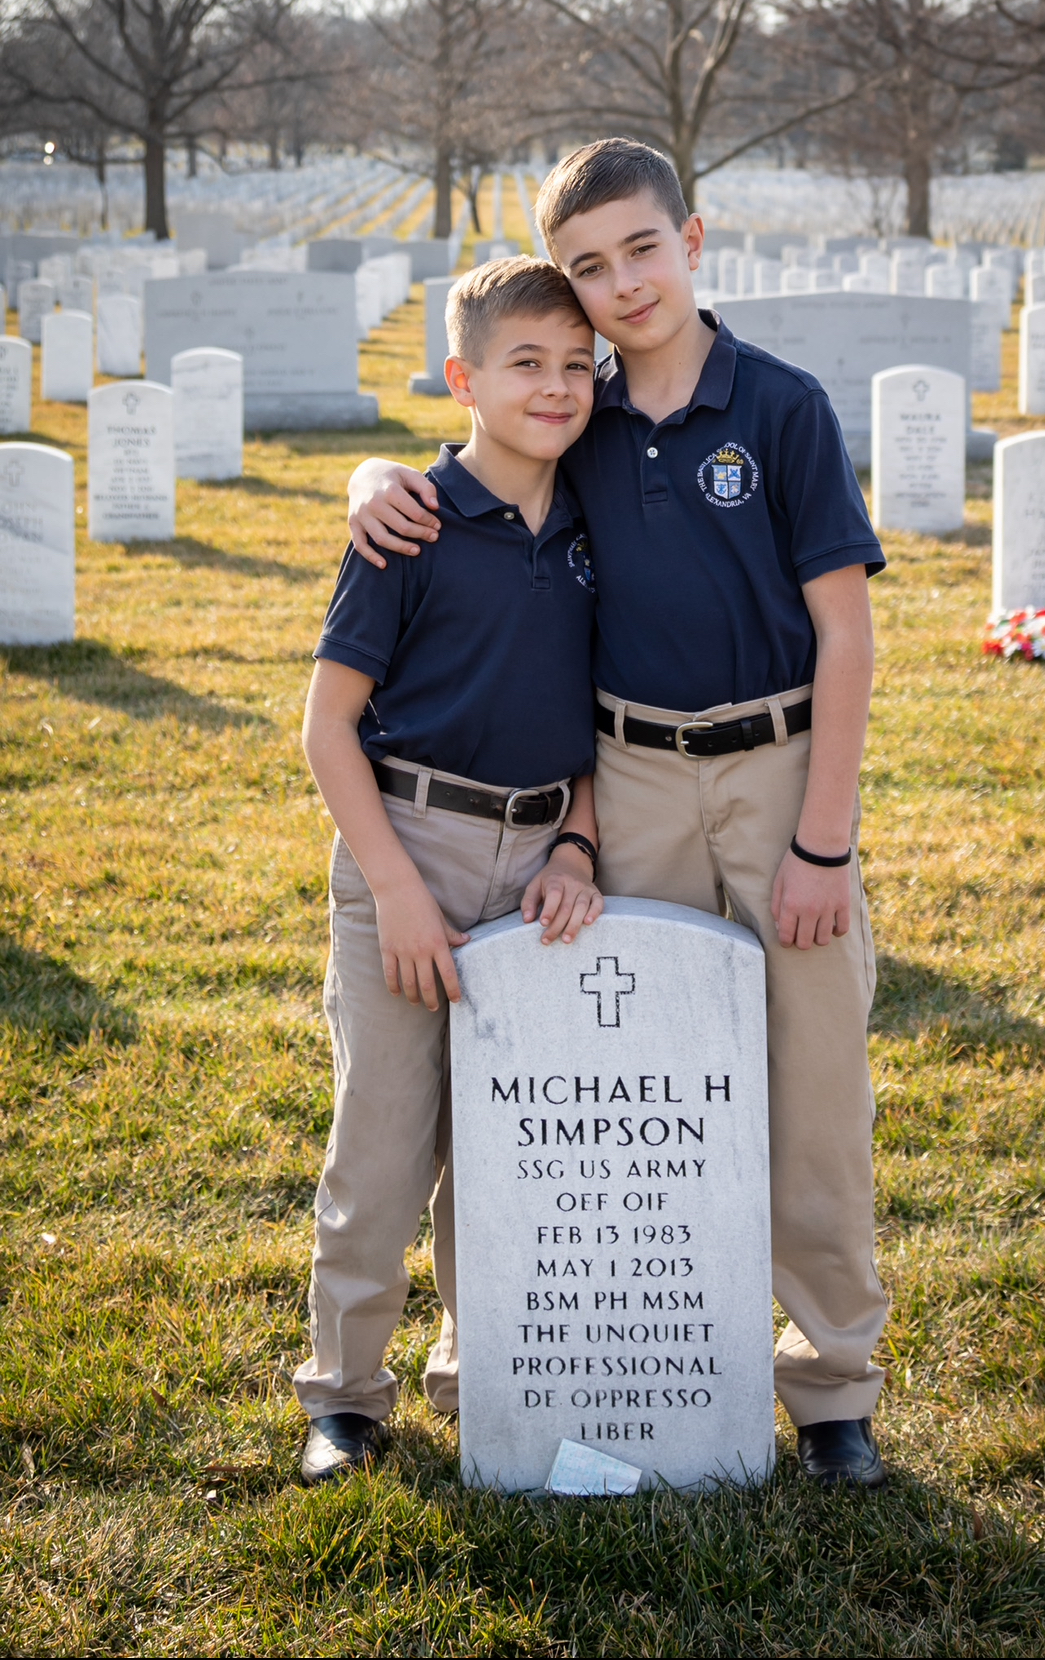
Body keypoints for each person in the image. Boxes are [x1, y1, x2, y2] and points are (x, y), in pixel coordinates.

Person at [345, 138, 891, 1489]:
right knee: (628, 1087)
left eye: (639, 248)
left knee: (810, 1091)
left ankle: (832, 1392)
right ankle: (641, 1357)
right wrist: (368, 481)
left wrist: (820, 835)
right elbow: (465, 477)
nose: (618, 283)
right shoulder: (575, 421)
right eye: (585, 267)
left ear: (690, 238)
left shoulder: (776, 408)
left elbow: (846, 634)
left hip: (774, 773)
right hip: (627, 775)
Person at [296, 255, 604, 1485]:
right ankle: (345, 1395)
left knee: (512, 1141)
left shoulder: (596, 523)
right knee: (383, 1132)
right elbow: (327, 727)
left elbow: (605, 711)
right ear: (463, 376)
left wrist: (578, 837)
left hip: (540, 859)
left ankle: (490, 1368)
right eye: (526, 363)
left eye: (578, 365)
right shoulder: (407, 522)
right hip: (406, 843)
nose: (558, 386)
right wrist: (399, 890)